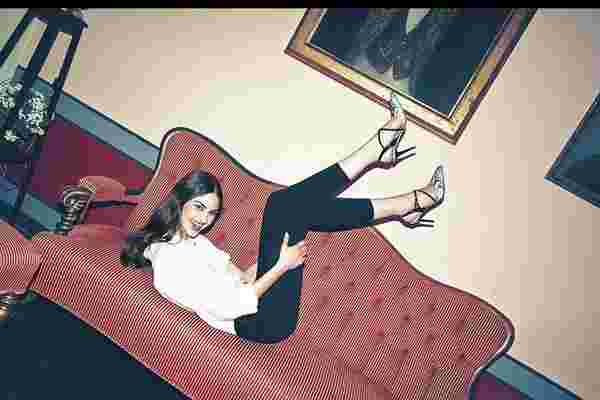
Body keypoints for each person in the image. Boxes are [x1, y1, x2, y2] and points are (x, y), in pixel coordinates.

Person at [120, 91, 446, 344]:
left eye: (212, 212)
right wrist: (280, 266)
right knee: (282, 206)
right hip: (261, 323)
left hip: (258, 300)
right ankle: (398, 188)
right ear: (180, 201)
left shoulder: (192, 243)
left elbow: (239, 277)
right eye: (199, 207)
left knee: (289, 207)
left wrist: (267, 258)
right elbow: (229, 305)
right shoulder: (170, 261)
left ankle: (396, 187)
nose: (205, 219)